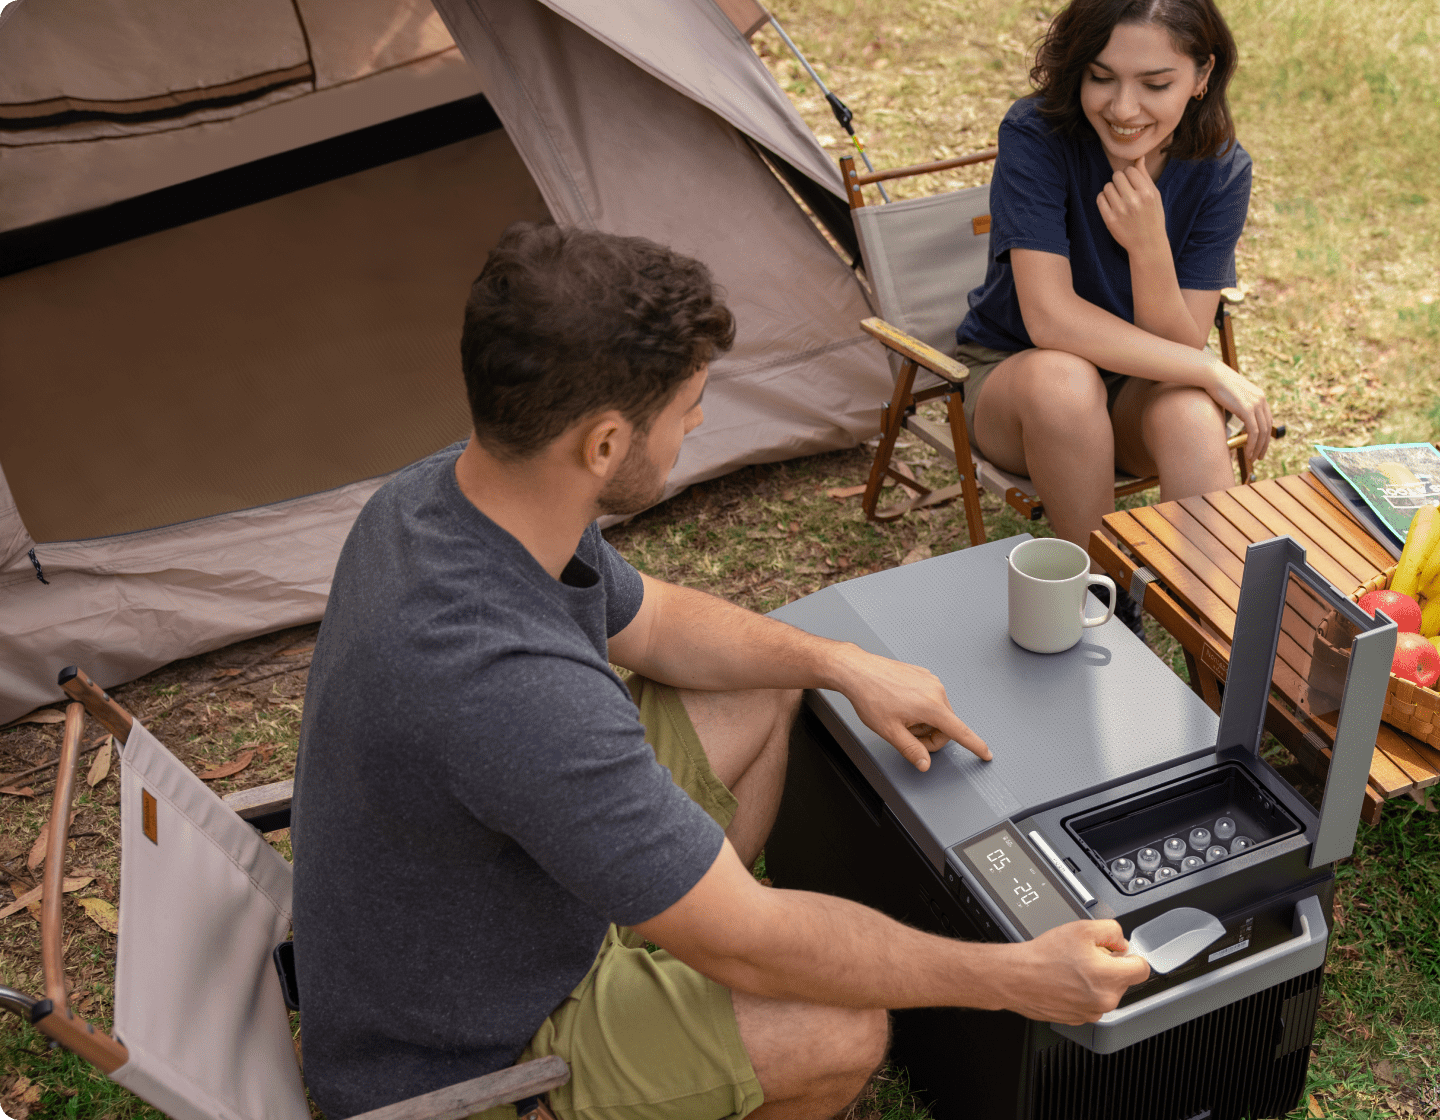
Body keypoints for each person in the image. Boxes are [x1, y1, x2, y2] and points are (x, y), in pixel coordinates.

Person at [292, 223, 1148, 1120]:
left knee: (767, 677)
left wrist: (838, 662)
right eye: (688, 403)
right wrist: (1017, 976)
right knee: (838, 1030)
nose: (697, 420)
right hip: (467, 1052)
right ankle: (674, 963)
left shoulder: (445, 497)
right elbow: (754, 944)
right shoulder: (510, 687)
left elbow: (653, 621)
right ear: (605, 444)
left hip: (500, 909)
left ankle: (680, 914)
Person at [953, 0, 1273, 566]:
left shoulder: (1221, 170)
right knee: (1066, 381)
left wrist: (1148, 247)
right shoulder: (1038, 137)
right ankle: (1104, 597)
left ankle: (1213, 623)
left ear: (1201, 77)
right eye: (1101, 77)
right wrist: (1207, 367)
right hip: (1019, 382)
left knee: (1192, 414)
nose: (1123, 108)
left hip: (1135, 388)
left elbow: (1179, 344)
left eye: (1154, 84)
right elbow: (1049, 318)